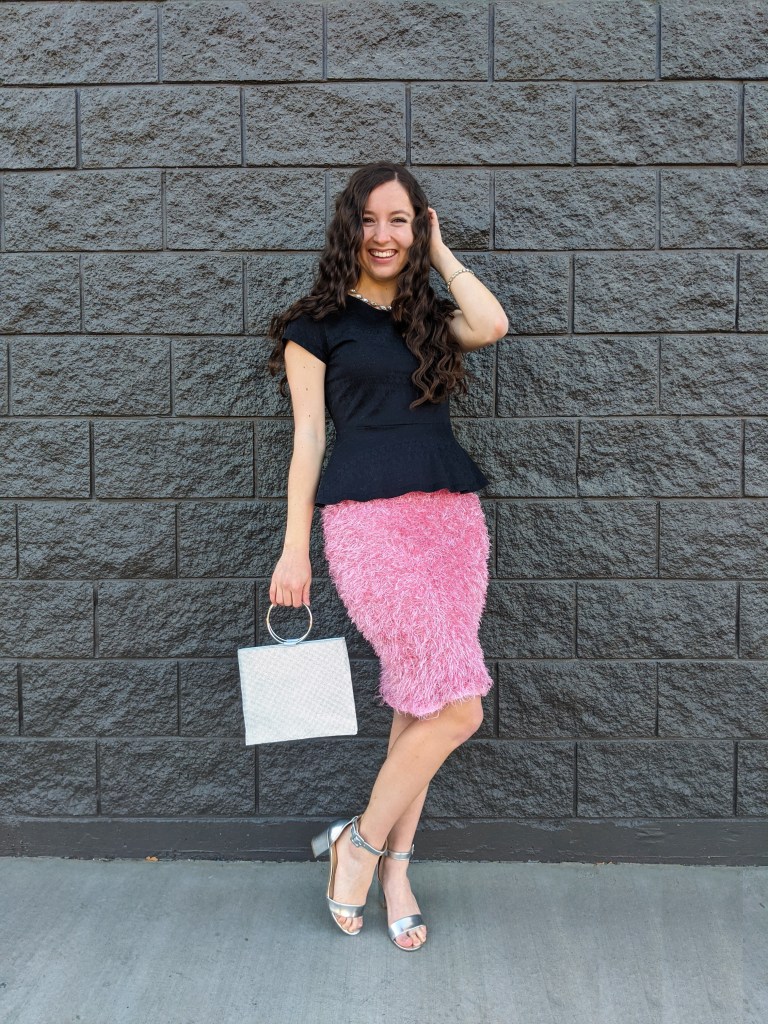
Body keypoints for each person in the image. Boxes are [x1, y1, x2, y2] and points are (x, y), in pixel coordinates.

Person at [266, 161, 508, 951]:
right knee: (459, 707)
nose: (383, 234)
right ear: (350, 227)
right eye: (370, 219)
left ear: (418, 226)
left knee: (423, 701)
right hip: (367, 527)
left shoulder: (431, 315)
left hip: (451, 521)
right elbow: (308, 441)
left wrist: (441, 255)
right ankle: (359, 846)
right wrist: (293, 548)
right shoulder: (316, 324)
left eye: (400, 220)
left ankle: (392, 866)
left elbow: (493, 322)